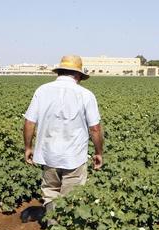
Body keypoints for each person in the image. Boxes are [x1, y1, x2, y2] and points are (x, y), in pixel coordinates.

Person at [23, 55, 104, 219]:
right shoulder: (86, 95)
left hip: (48, 154)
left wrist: (28, 147)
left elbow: (29, 122)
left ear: (59, 72)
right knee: (71, 197)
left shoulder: (42, 90)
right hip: (74, 157)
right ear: (78, 75)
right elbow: (95, 129)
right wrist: (98, 153)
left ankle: (53, 227)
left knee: (51, 192)